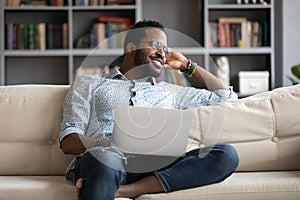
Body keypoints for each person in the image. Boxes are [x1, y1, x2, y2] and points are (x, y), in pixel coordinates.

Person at [59, 20, 239, 200]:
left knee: (226, 155)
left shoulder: (170, 92)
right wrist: (106, 144)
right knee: (105, 158)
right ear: (131, 47)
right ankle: (113, 182)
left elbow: (226, 96)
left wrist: (187, 65)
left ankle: (125, 191)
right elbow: (68, 141)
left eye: (165, 49)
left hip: (156, 167)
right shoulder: (89, 84)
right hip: (107, 161)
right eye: (155, 45)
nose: (162, 53)